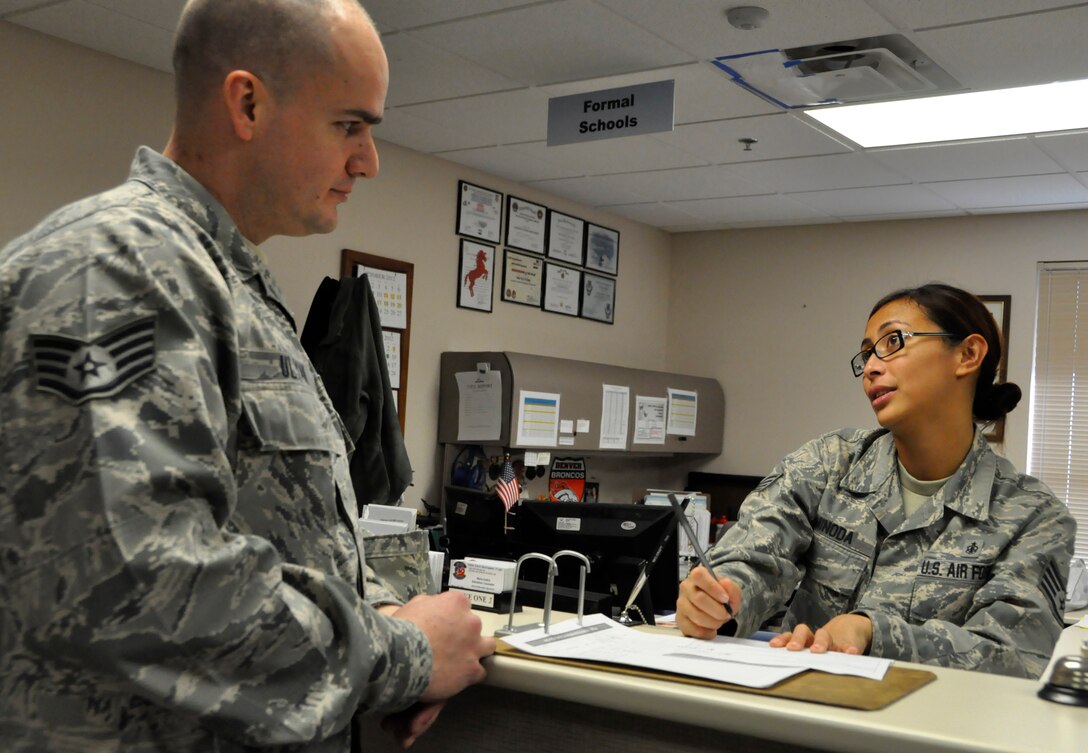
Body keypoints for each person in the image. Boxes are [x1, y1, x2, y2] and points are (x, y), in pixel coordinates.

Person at [0, 1, 494, 751]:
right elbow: (137, 587)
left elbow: (283, 540)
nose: (368, 161)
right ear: (248, 103)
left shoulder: (227, 285)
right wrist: (403, 656)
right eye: (349, 125)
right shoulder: (115, 272)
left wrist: (395, 627)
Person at [677, 283, 1076, 679]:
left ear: (967, 355)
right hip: (799, 715)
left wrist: (872, 634)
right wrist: (719, 599)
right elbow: (755, 557)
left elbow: (1013, 658)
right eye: (867, 353)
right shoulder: (827, 464)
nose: (870, 367)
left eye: (893, 342)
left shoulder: (1032, 516)